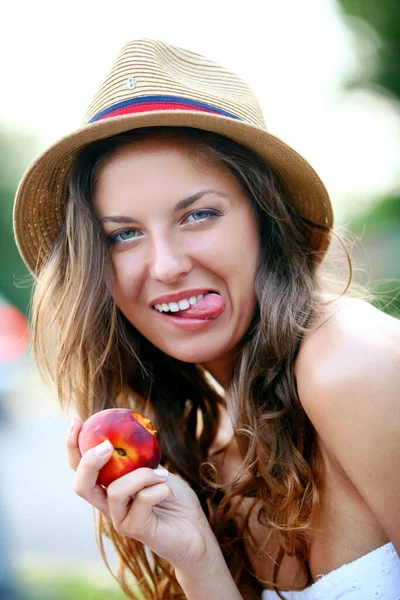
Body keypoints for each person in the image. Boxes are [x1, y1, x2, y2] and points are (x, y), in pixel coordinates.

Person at [13, 39, 400, 600]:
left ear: (267, 218)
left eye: (198, 215)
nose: (166, 266)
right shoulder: (212, 442)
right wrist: (198, 563)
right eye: (123, 235)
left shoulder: (352, 365)